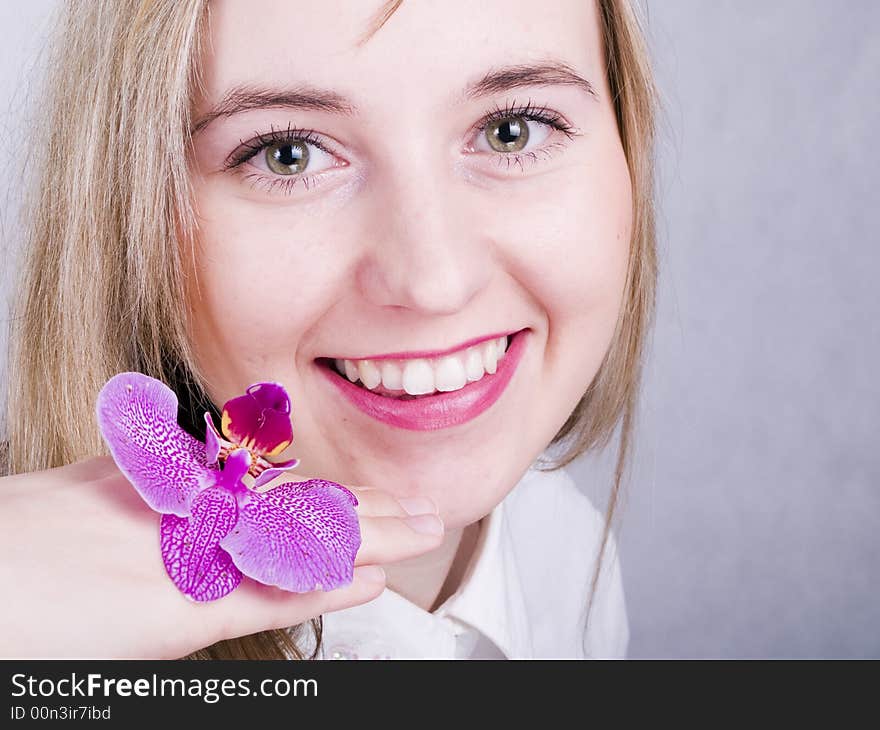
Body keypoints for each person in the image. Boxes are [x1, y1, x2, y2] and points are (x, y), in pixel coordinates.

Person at [0, 0, 656, 659]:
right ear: (128, 219)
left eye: (512, 130)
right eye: (290, 156)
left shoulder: (569, 553)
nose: (434, 282)